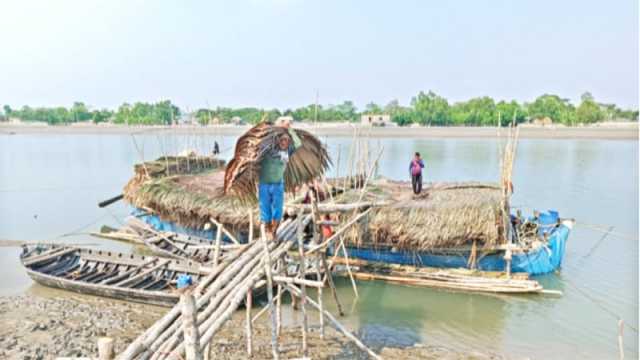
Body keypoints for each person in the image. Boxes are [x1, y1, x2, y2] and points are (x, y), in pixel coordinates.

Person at [259, 120, 302, 239]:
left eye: (287, 140)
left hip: (278, 185)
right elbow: (264, 139)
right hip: (264, 184)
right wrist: (277, 127)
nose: (284, 142)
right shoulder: (268, 149)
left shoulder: (288, 151)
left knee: (277, 210)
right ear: (278, 140)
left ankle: (274, 231)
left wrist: (290, 129)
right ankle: (268, 230)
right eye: (282, 140)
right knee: (265, 209)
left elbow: (298, 143)